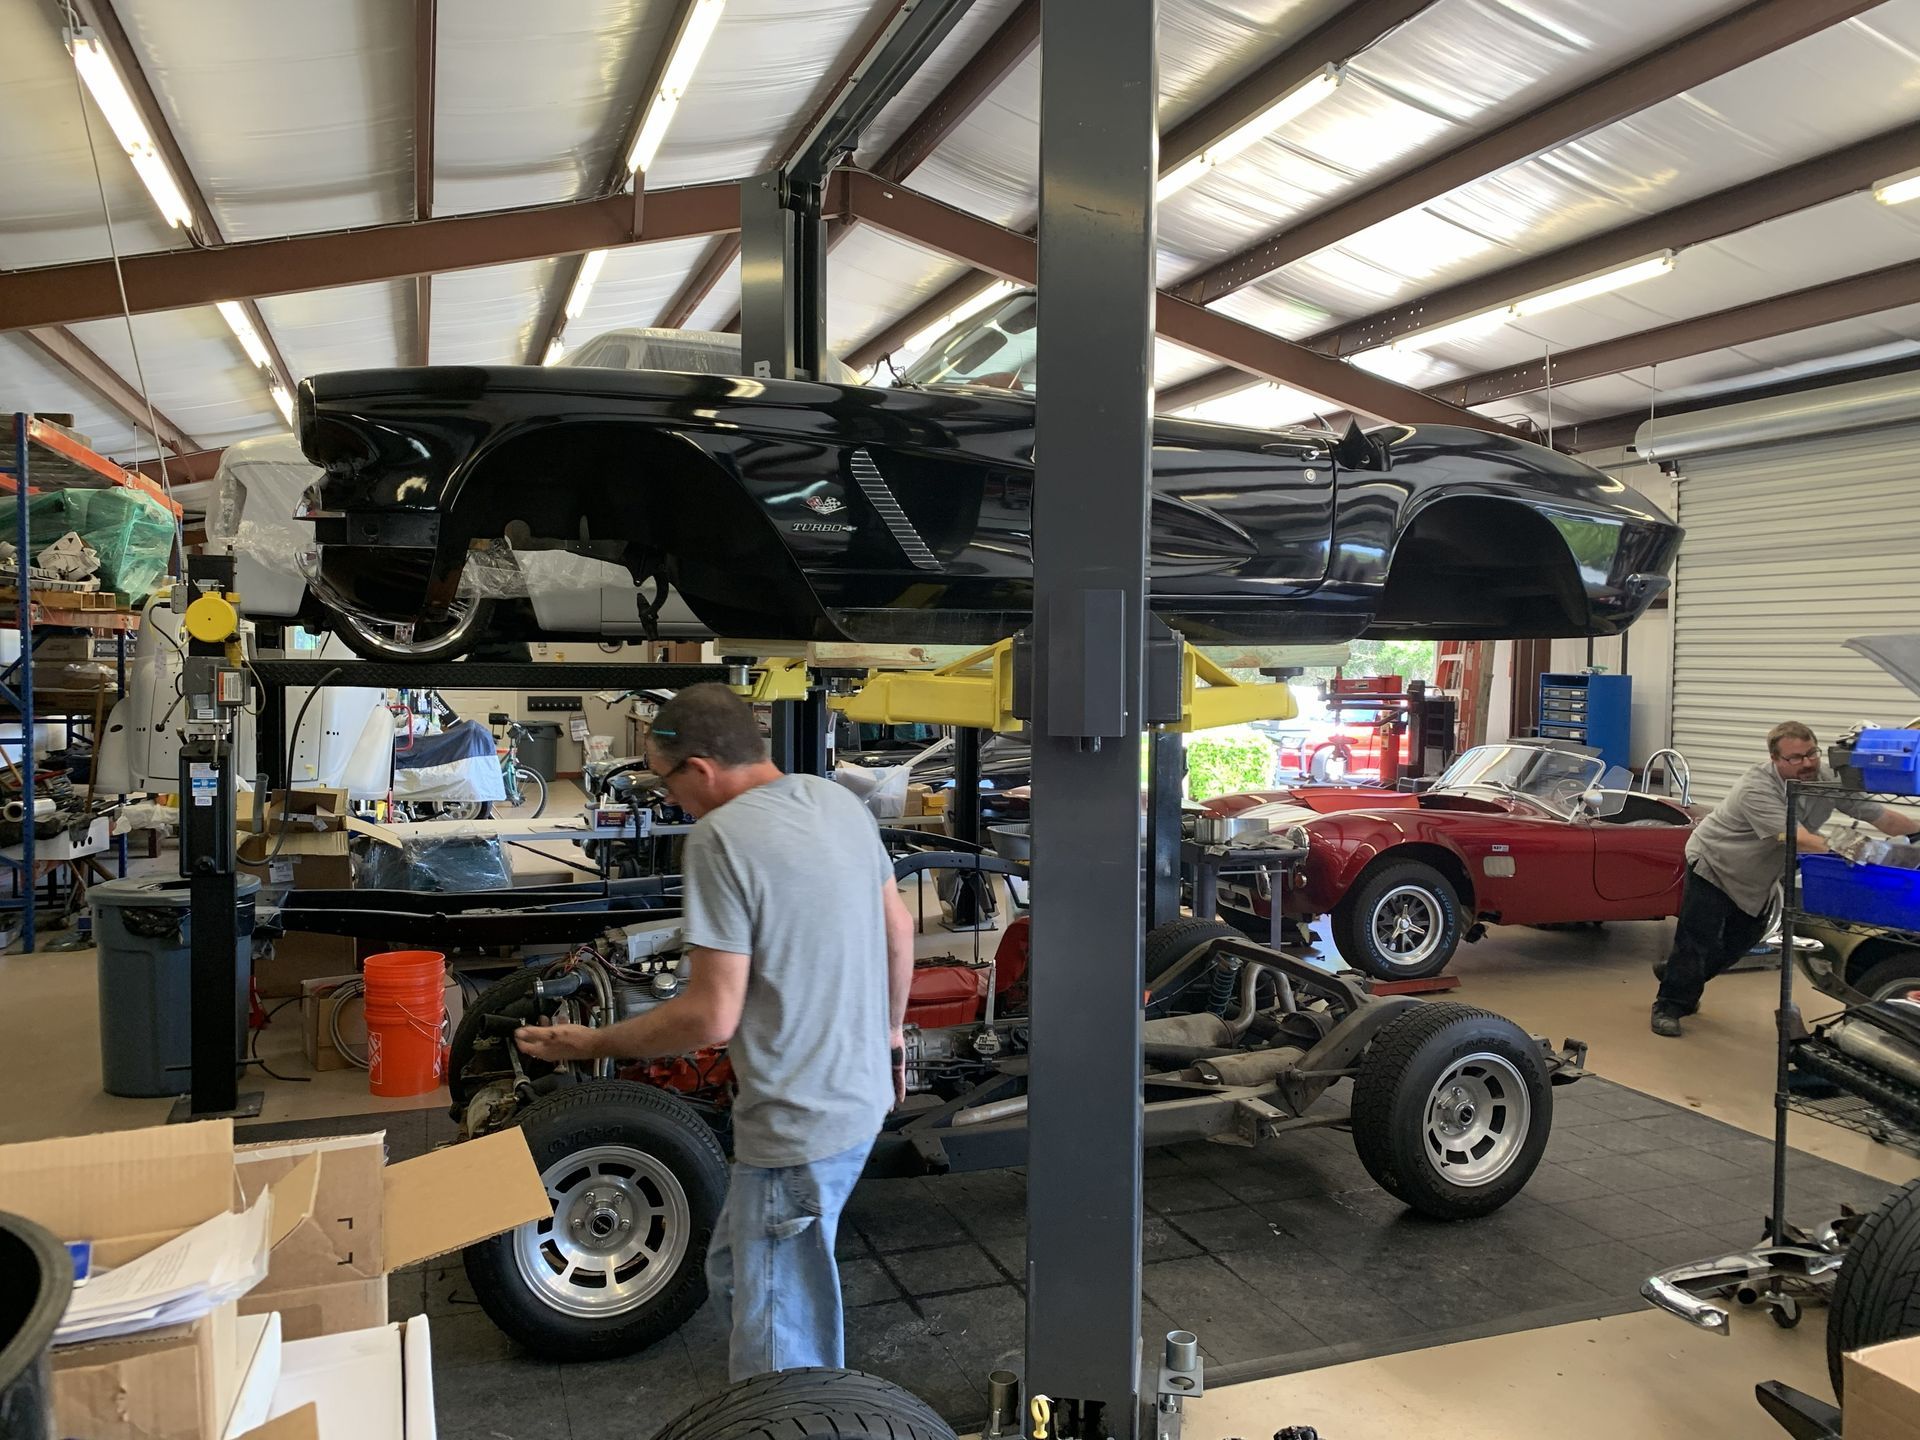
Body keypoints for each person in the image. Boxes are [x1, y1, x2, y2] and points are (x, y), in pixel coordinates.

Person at [514, 683, 915, 1377]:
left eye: (666, 780)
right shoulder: (834, 801)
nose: (667, 798)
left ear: (698, 768)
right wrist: (889, 1035)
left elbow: (710, 1015)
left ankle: (795, 1420)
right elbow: (900, 930)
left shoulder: (719, 838)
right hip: (861, 1100)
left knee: (778, 1343)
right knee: (741, 1264)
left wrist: (592, 1044)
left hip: (796, 1124)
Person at [1650, 720, 1920, 1037]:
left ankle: (1677, 975)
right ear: (1775, 759)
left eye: (1811, 754)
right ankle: (1670, 1005)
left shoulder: (1827, 778)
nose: (1806, 763)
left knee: (1744, 939)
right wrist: (1860, 851)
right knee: (1697, 940)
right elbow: (1797, 837)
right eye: (1795, 758)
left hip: (1759, 874)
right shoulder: (1757, 787)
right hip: (1716, 862)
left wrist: (1916, 830)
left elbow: (1880, 816)